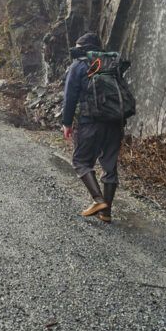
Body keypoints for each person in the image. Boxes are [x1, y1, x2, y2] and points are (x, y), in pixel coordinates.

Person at [61, 32, 125, 222]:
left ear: (83, 47)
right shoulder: (111, 65)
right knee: (110, 166)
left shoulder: (79, 65)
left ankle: (98, 200)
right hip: (115, 123)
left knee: (81, 161)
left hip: (90, 122)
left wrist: (66, 123)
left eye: (78, 46)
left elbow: (70, 97)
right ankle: (106, 213)